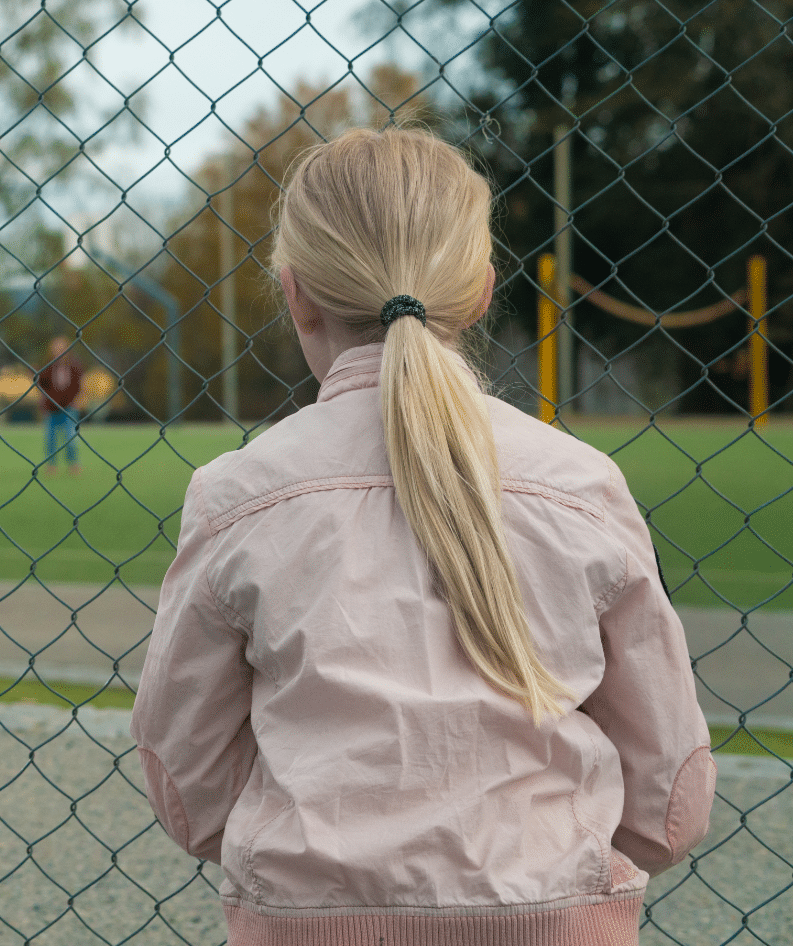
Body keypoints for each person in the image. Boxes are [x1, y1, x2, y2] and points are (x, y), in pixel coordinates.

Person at [129, 127, 714, 946]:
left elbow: (183, 781)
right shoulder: (579, 486)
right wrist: (548, 868)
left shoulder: (238, 497)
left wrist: (320, 866)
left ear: (294, 293)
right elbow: (670, 794)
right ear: (478, 292)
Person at [36, 336, 83, 474]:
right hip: (51, 407)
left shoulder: (74, 366)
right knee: (50, 438)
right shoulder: (48, 366)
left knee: (70, 437)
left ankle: (73, 464)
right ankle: (51, 465)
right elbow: (41, 386)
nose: (59, 351)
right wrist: (42, 404)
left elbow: (80, 385)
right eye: (56, 349)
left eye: (62, 348)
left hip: (69, 407)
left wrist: (79, 400)